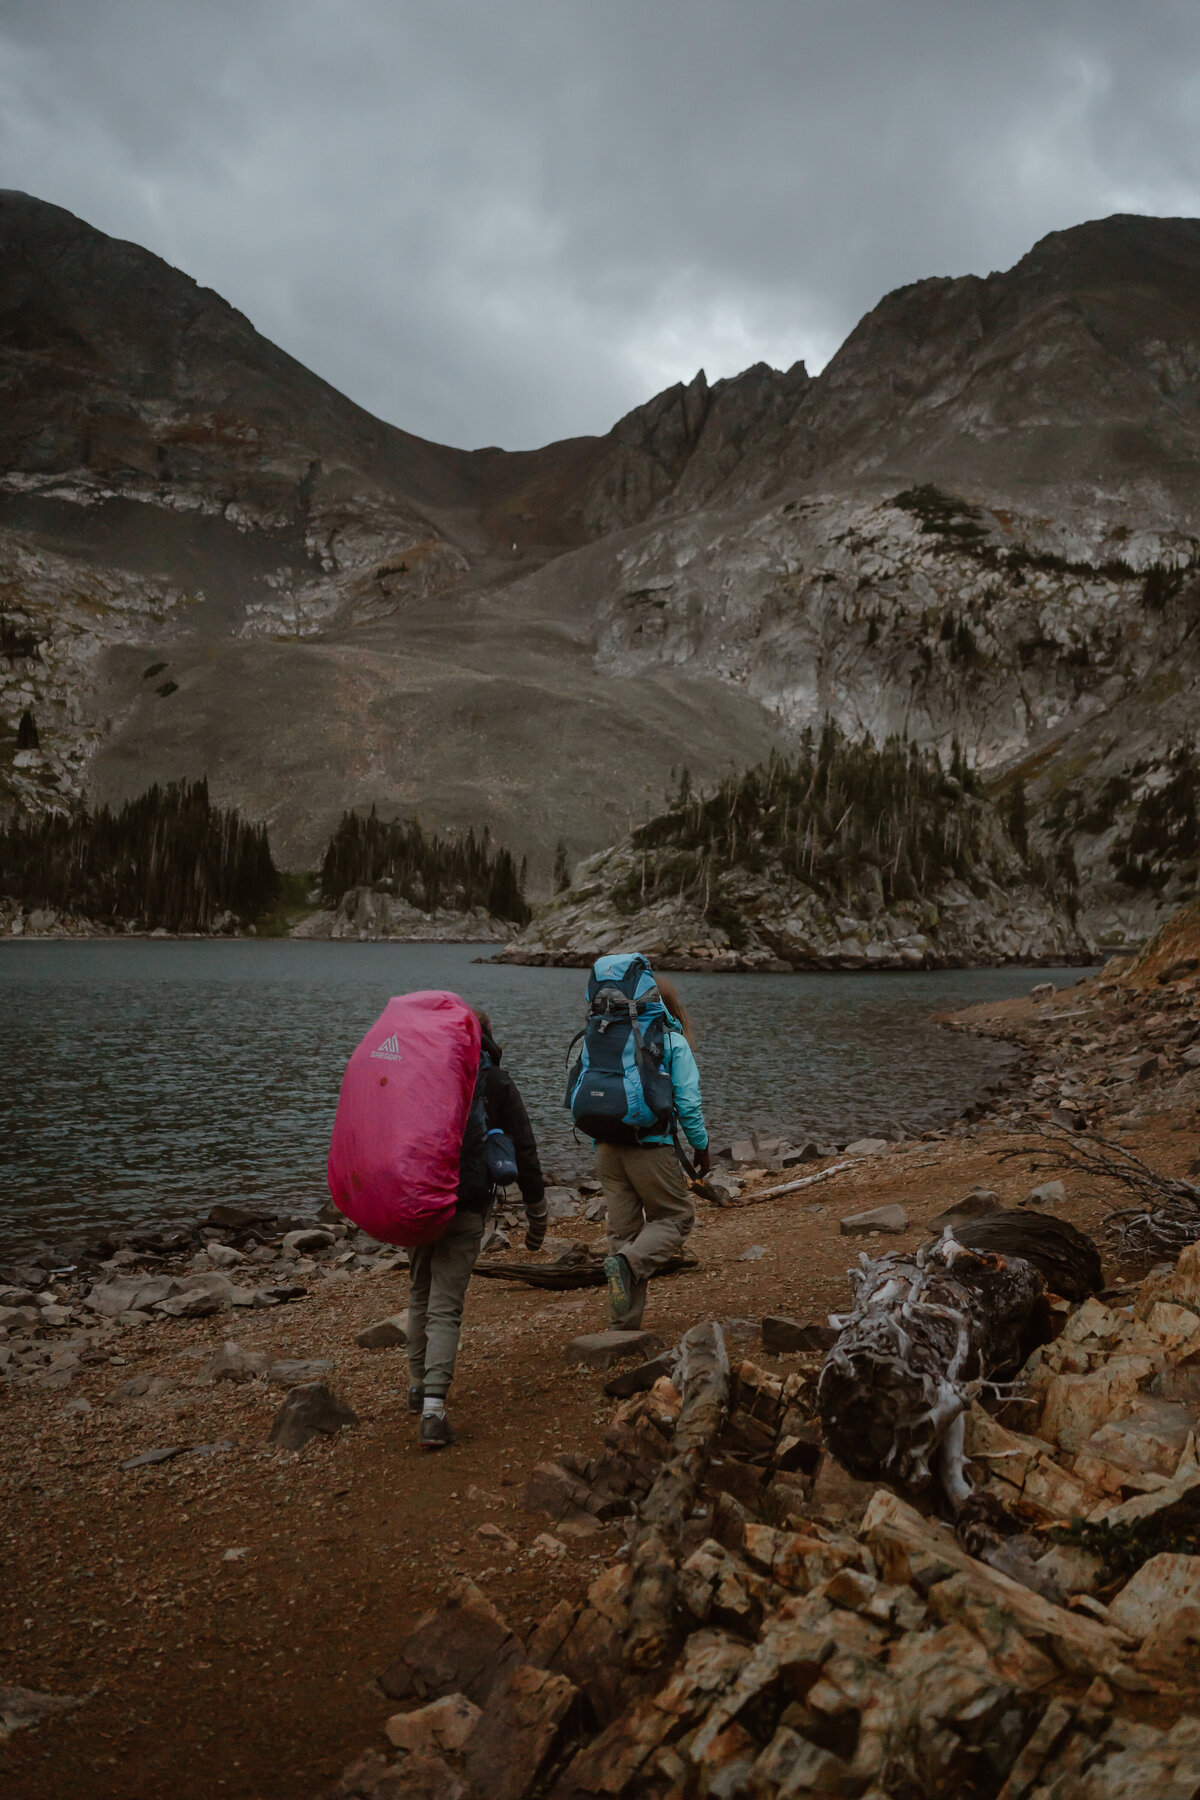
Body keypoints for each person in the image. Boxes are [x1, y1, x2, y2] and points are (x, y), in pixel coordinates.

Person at [407, 1010, 546, 1449]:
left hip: (422, 1199)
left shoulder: (424, 1072)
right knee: (446, 1305)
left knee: (419, 1291)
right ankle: (432, 1411)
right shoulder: (497, 1082)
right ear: (485, 1039)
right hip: (466, 1203)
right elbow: (523, 1146)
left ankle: (416, 1387)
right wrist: (536, 1212)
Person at [598, 974, 710, 1329]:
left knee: (624, 1235)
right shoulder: (671, 1040)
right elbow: (688, 1104)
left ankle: (623, 1326)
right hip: (649, 1146)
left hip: (606, 1147)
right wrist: (701, 1145)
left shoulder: (605, 1035)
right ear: (672, 1007)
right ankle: (627, 1266)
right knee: (677, 1218)